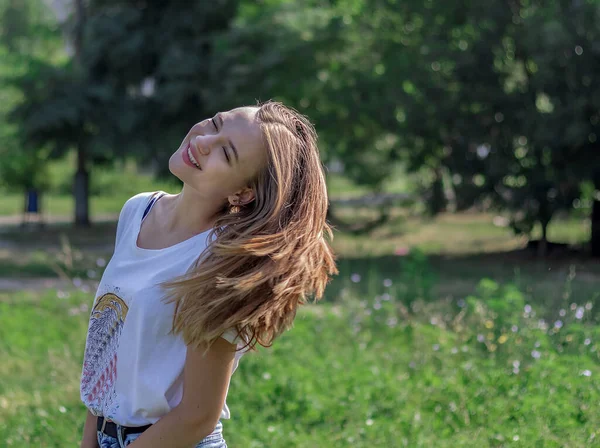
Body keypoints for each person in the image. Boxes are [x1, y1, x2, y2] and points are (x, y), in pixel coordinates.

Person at [79, 101, 338, 448]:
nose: (203, 141)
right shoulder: (138, 211)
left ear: (243, 192)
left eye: (226, 153)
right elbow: (110, 347)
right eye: (216, 124)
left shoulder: (224, 261)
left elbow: (198, 416)